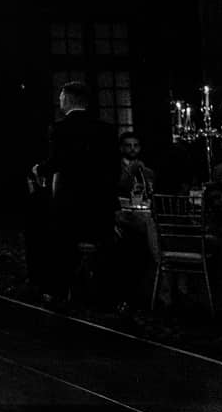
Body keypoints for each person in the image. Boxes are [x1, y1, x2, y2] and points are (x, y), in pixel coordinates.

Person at [37, 81, 118, 308]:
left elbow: (59, 161)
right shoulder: (106, 129)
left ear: (69, 99)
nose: (59, 101)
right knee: (102, 245)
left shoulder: (60, 128)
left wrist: (40, 169)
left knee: (61, 246)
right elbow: (113, 168)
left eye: (61, 98)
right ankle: (102, 292)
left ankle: (60, 291)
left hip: (71, 201)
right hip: (100, 203)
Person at [117, 131, 156, 201]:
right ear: (121, 148)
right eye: (128, 145)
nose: (132, 148)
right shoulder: (115, 167)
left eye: (136, 145)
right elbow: (118, 188)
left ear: (140, 148)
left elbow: (151, 192)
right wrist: (131, 170)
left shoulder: (147, 170)